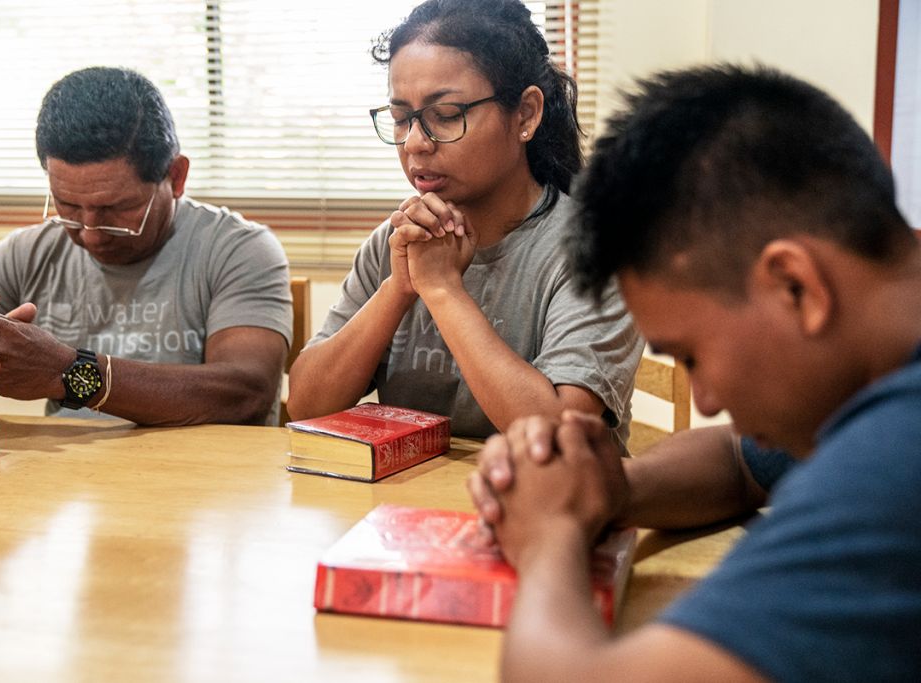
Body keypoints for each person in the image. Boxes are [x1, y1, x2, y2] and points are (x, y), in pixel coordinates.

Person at [469, 64, 921, 681]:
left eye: (691, 356)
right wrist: (608, 488)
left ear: (795, 285)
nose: (704, 400)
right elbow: (739, 461)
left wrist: (549, 535)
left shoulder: (895, 458)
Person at [287, 0, 641, 441]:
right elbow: (306, 405)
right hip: (420, 487)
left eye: (447, 116)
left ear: (526, 114)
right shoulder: (396, 241)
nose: (414, 143)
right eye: (401, 119)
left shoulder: (596, 249)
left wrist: (442, 289)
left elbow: (556, 434)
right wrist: (398, 288)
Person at [0, 67, 292, 426]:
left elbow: (246, 393)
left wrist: (68, 372)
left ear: (175, 177)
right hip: (72, 477)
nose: (90, 233)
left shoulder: (237, 249)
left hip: (208, 476)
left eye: (116, 209)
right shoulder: (25, 255)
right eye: (67, 206)